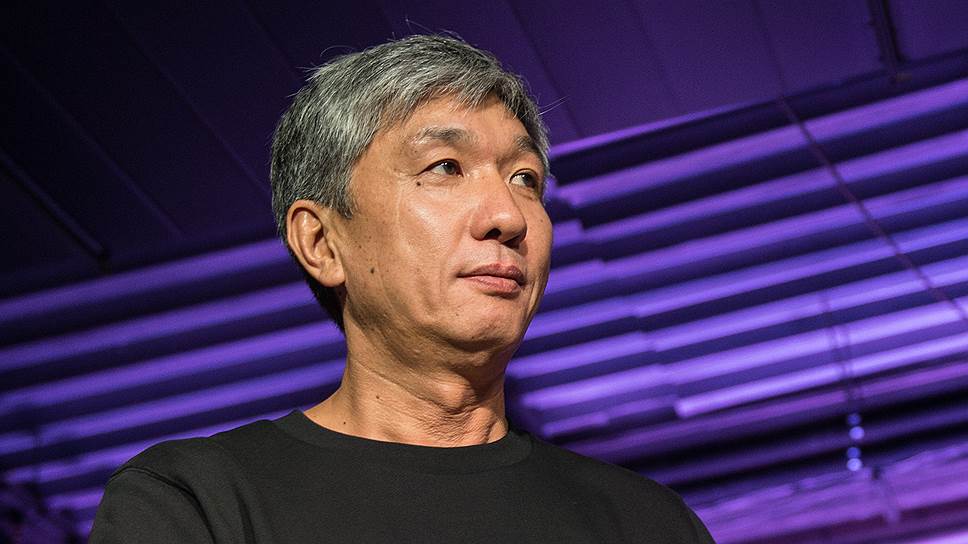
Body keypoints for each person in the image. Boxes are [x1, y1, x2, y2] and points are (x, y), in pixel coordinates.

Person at [89, 34, 715, 543]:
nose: (508, 216)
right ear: (321, 243)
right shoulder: (198, 502)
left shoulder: (648, 525)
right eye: (445, 167)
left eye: (525, 178)